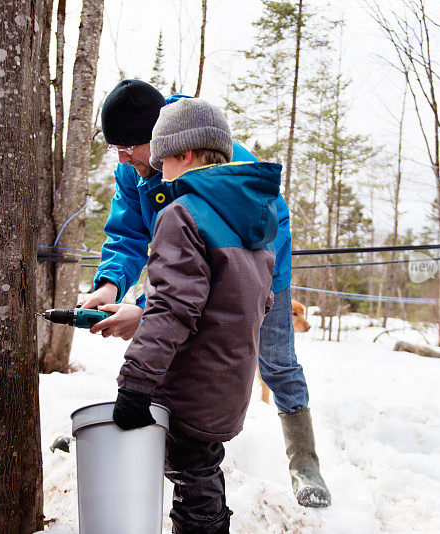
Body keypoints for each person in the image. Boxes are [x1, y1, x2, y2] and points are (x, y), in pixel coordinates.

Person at [82, 79, 331, 508]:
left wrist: (143, 312)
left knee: (277, 362)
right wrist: (108, 285)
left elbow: (207, 286)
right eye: (115, 148)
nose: (122, 158)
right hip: (189, 280)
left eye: (131, 147)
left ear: (172, 148)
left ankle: (304, 462)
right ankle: (154, 446)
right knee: (183, 359)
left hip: (259, 271)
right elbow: (127, 233)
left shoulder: (223, 156)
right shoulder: (134, 166)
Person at [110, 97, 278, 533]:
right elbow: (258, 301)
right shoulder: (253, 220)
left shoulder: (181, 215)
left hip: (190, 386)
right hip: (229, 383)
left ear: (183, 155)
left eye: (163, 159)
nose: (158, 173)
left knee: (191, 479)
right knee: (202, 471)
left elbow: (171, 309)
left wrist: (135, 383)